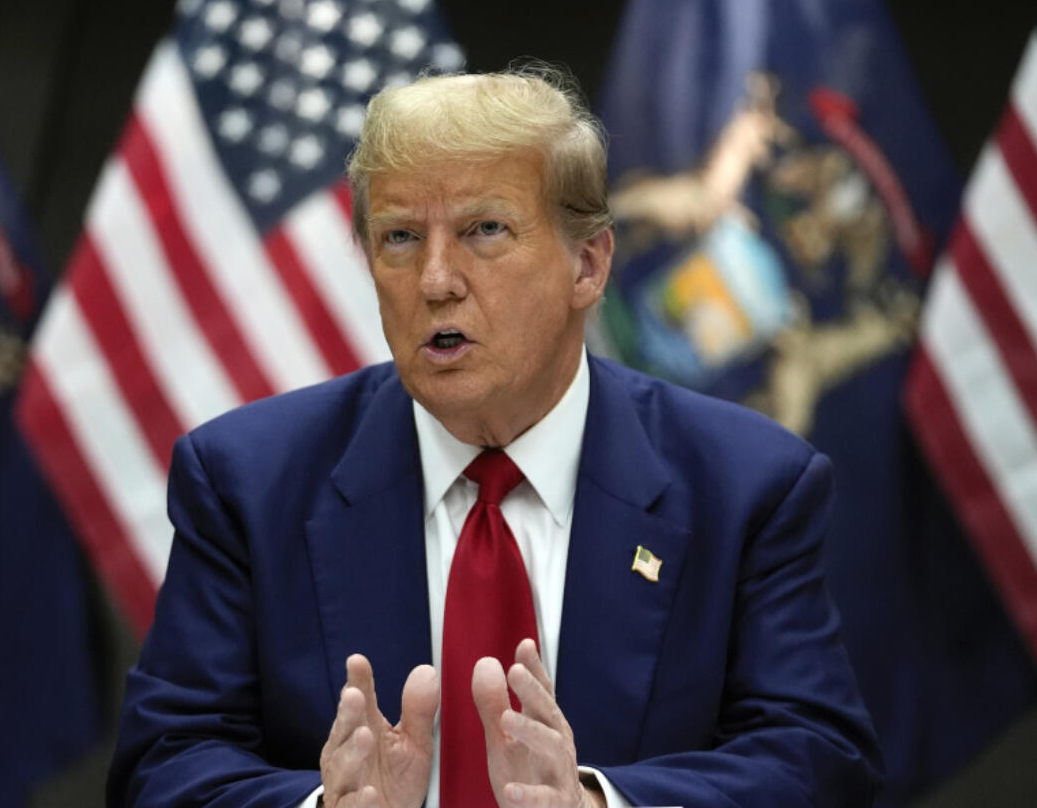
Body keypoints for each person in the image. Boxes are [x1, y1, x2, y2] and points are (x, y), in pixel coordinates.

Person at [107, 66, 882, 808]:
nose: (437, 279)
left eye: (484, 229)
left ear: (588, 263)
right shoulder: (247, 482)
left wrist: (597, 802)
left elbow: (818, 761)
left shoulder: (747, 486)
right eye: (400, 238)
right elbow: (164, 764)